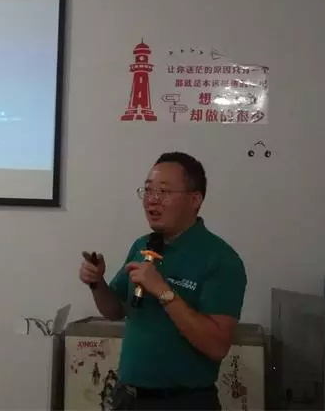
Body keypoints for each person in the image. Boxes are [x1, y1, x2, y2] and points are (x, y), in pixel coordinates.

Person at [79, 152, 247, 410]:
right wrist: (97, 282)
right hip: (128, 397)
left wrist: (162, 291)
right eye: (148, 190)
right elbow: (114, 310)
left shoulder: (220, 259)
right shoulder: (142, 245)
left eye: (164, 191)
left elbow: (216, 346)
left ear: (195, 200)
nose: (152, 199)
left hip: (183, 402)